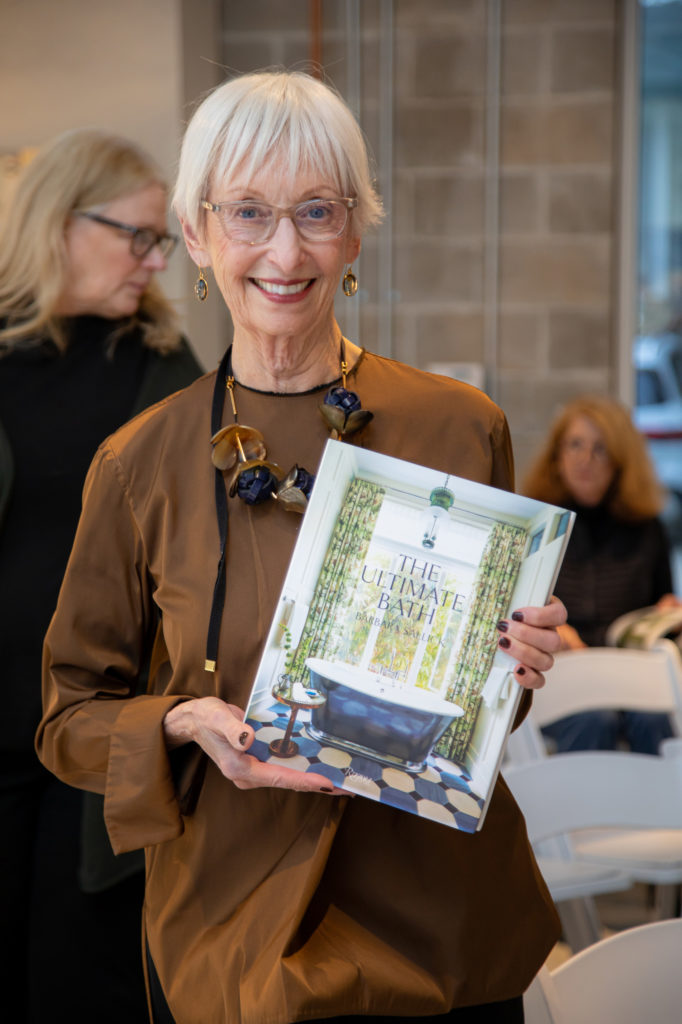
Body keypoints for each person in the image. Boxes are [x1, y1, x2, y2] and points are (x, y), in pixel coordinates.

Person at [37, 71, 565, 1024]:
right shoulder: (138, 462)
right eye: (249, 212)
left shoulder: (459, 428)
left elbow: (484, 711)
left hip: (442, 934)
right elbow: (69, 716)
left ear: (354, 232)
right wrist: (182, 722)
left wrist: (515, 660)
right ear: (197, 233)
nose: (285, 251)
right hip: (238, 936)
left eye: (316, 211)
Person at [0, 128, 203, 1023]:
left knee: (82, 983)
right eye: (138, 237)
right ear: (60, 223)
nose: (154, 262)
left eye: (162, 242)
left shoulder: (163, 369)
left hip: (93, 742)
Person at [523, 394, 681, 754]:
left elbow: (662, 602)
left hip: (629, 674)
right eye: (575, 445)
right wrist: (553, 633)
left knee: (654, 716)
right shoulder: (540, 528)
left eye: (600, 449)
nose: (585, 459)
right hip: (559, 672)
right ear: (557, 456)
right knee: (595, 719)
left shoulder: (647, 529)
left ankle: (662, 794)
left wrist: (669, 615)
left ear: (620, 461)